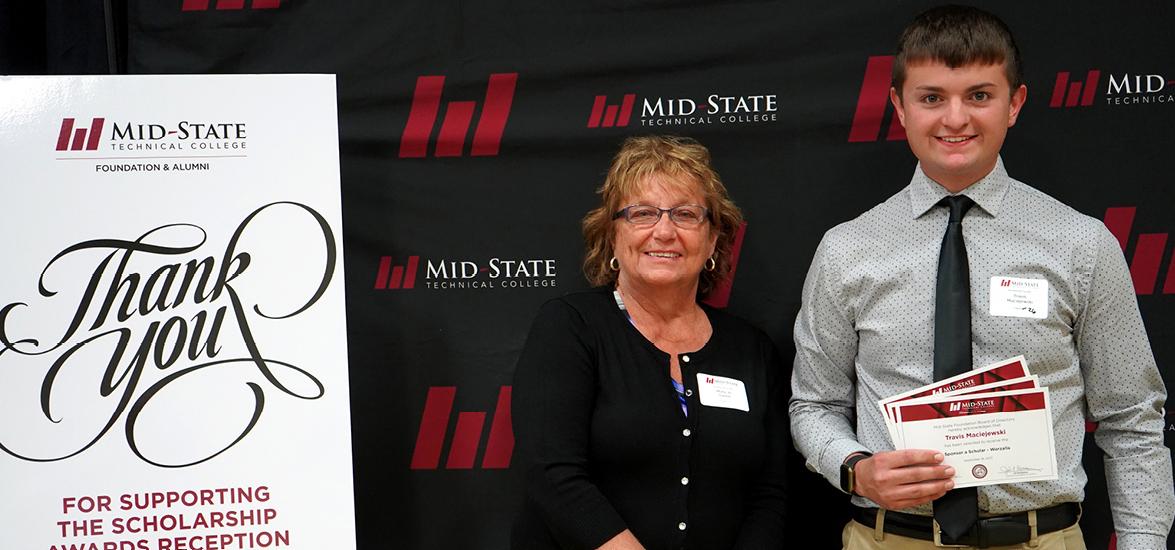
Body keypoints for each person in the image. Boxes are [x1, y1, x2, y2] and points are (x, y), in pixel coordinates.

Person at [789, 5, 1174, 549]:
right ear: (898, 105)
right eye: (931, 98)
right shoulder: (847, 249)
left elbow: (1131, 420)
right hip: (889, 541)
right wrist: (853, 468)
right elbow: (814, 405)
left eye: (978, 95)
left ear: (1014, 103)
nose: (955, 119)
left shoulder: (1082, 244)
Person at [511, 135, 787, 549]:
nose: (664, 231)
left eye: (685, 214)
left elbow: (771, 493)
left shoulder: (752, 349)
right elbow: (553, 474)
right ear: (612, 237)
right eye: (642, 214)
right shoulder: (570, 327)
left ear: (713, 239)